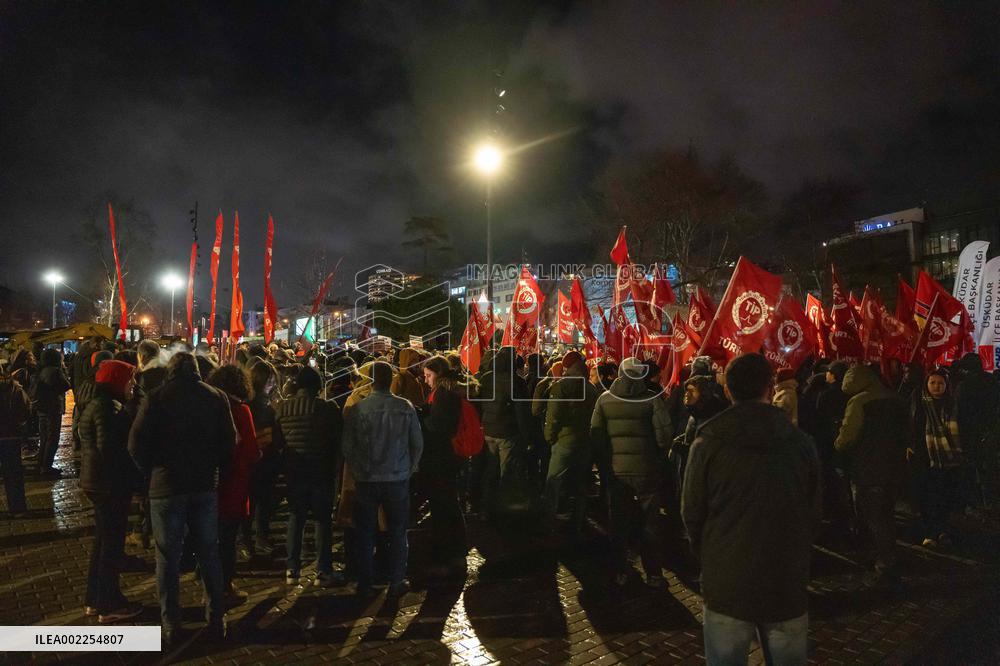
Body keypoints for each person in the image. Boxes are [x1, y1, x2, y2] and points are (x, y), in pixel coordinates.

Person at [682, 353, 820, 665]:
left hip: (726, 579)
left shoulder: (708, 440)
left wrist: (709, 554)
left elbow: (692, 511)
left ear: (727, 390)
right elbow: (813, 510)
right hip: (785, 576)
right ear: (770, 388)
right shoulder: (800, 442)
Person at [128, 352, 236, 645]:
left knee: (167, 558)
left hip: (166, 486)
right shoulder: (216, 397)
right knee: (209, 553)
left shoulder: (156, 397)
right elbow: (230, 442)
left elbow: (135, 444)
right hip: (203, 485)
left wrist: (153, 468)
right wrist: (213, 467)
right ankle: (216, 618)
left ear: (170, 371)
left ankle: (171, 623)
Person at [342, 361, 423, 597]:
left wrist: (358, 470)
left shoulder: (359, 408)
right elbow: (417, 443)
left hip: (367, 478)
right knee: (398, 532)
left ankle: (365, 583)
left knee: (366, 533)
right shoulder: (405, 407)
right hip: (397, 477)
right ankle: (397, 580)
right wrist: (409, 468)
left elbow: (347, 446)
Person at [591, 356, 672, 587]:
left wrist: (606, 464)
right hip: (646, 470)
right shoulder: (652, 400)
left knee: (619, 522)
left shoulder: (605, 400)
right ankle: (654, 574)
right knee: (650, 523)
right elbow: (664, 436)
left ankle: (620, 571)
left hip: (617, 472)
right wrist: (655, 457)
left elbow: (596, 436)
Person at [79, 359, 142, 623]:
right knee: (111, 546)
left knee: (102, 541)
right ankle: (109, 603)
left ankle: (94, 599)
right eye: (130, 380)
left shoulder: (98, 404)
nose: (133, 386)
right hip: (109, 484)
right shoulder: (109, 408)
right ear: (118, 381)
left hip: (97, 482)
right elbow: (111, 450)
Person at [834, 364, 909, 588]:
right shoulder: (894, 398)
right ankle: (888, 561)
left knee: (874, 518)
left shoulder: (859, 402)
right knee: (886, 516)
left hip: (868, 468)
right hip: (893, 467)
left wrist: (837, 442)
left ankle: (885, 567)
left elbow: (846, 438)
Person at [275, 365, 342, 586]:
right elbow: (337, 440)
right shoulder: (328, 409)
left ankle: (292, 567)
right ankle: (324, 570)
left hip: (295, 472)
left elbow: (277, 443)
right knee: (323, 520)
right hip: (321, 471)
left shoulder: (283, 408)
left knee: (296, 517)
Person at [206, 365, 260, 605]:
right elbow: (250, 450)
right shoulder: (240, 410)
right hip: (234, 482)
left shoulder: (206, 407)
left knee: (209, 537)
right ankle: (224, 587)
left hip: (207, 481)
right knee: (227, 539)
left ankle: (207, 580)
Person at [542, 350, 600, 536]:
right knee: (579, 482)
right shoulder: (591, 388)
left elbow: (554, 416)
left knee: (554, 482)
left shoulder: (562, 386)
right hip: (585, 440)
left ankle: (551, 520)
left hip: (564, 441)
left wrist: (549, 437)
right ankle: (578, 520)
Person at [421, 355, 468, 576]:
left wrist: (423, 418)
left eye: (428, 376)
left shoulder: (442, 394)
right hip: (448, 456)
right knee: (449, 502)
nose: (426, 380)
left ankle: (447, 554)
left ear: (438, 374)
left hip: (441, 456)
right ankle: (457, 549)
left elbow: (439, 426)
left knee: (443, 504)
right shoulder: (448, 391)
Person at [909, 369, 963, 548]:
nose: (936, 386)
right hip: (924, 456)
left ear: (947, 386)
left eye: (940, 383)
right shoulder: (919, 402)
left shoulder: (953, 404)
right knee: (926, 495)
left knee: (944, 495)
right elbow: (910, 425)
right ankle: (929, 532)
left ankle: (942, 530)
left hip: (949, 459)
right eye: (932, 382)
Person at [476, 346, 530, 518]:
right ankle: (504, 510)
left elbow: (478, 403)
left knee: (490, 470)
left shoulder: (485, 378)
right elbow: (522, 411)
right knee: (507, 472)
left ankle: (487, 506)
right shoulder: (517, 382)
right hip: (508, 432)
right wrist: (526, 435)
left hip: (488, 430)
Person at [243, 360, 283, 556]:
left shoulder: (251, 403)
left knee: (255, 501)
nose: (273, 385)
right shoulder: (262, 406)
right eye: (270, 381)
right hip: (261, 459)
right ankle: (255, 539)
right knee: (260, 502)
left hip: (257, 460)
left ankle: (250, 540)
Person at [32, 348, 71, 476]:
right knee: (53, 438)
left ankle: (41, 464)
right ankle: (47, 467)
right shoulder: (55, 371)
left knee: (44, 437)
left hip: (42, 408)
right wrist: (63, 370)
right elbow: (66, 385)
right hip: (53, 408)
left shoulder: (41, 370)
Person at [0, 370, 29, 516]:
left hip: (9, 435)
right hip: (11, 435)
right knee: (13, 474)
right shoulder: (15, 389)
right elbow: (26, 410)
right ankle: (17, 508)